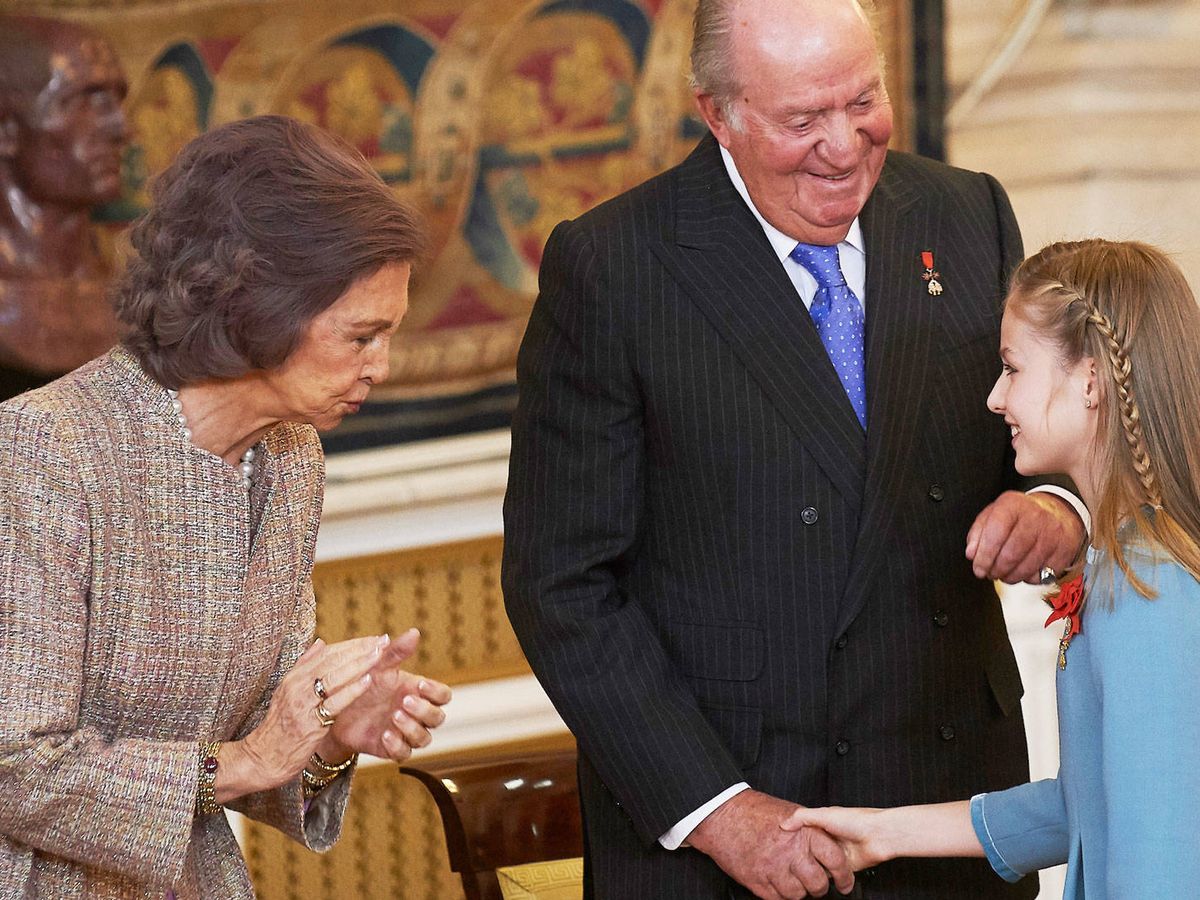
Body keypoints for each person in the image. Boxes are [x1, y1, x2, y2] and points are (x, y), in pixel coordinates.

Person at [501, 0, 1089, 897]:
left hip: (948, 811)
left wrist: (1059, 510)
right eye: (803, 120)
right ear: (718, 115)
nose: (845, 146)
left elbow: (1054, 442)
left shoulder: (967, 212)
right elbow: (562, 583)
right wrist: (719, 809)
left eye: (863, 102)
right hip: (739, 828)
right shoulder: (617, 266)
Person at [0, 115, 452, 898]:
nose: (382, 366)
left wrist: (332, 733)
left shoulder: (288, 457)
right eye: (361, 337)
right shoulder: (45, 448)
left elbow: (263, 730)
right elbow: (13, 766)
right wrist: (248, 760)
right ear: (257, 307)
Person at [784, 238, 1200, 897]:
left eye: (1012, 368)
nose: (994, 398)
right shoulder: (1130, 560)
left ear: (1090, 379)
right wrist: (883, 833)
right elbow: (1088, 805)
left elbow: (1162, 866)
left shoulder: (1147, 587)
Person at [0, 15, 129, 399]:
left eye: (116, 101)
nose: (122, 128)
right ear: (6, 132)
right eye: (84, 101)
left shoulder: (136, 293)